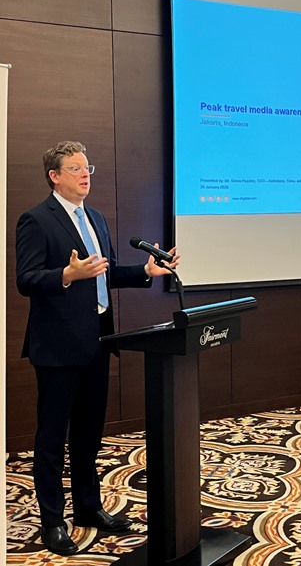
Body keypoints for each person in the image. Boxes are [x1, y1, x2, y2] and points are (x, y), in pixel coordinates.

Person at [15, 140, 180, 556]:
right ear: (54, 176)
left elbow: (106, 273)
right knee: (52, 438)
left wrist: (145, 271)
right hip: (57, 347)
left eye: (87, 168)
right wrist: (66, 275)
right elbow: (26, 279)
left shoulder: (96, 218)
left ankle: (88, 508)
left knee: (89, 434)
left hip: (98, 341)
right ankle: (53, 521)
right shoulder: (36, 219)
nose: (85, 175)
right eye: (75, 168)